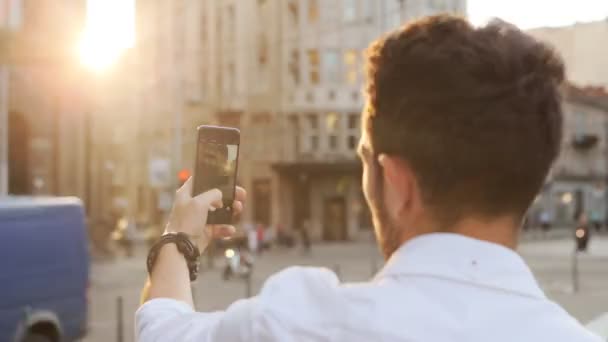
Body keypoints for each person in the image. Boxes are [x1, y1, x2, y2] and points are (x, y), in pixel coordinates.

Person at [135, 16, 602, 341]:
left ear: (397, 183)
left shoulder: (304, 323)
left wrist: (180, 238)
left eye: (365, 161)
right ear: (531, 180)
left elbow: (164, 329)